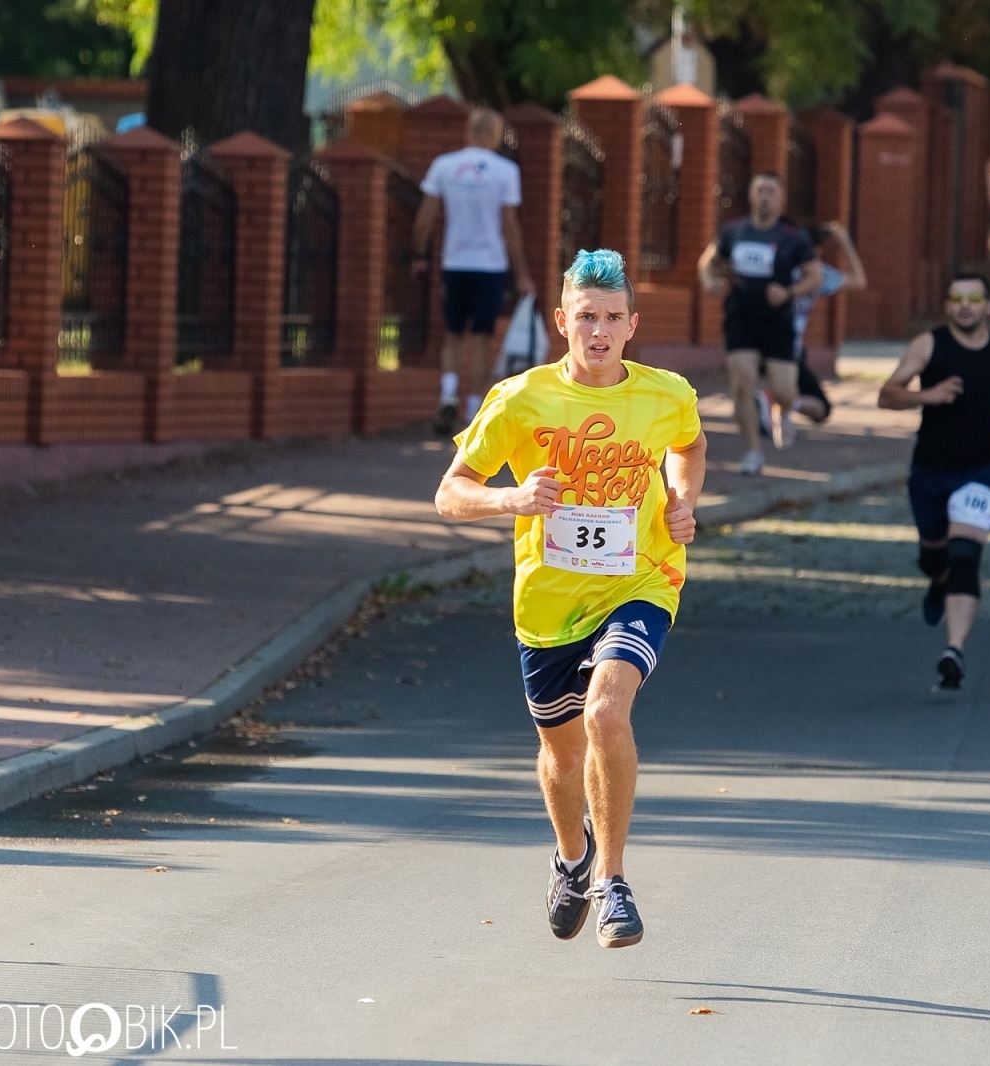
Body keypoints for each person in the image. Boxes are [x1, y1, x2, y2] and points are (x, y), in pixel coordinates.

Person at [435, 249, 706, 949]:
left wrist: (683, 499)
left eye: (613, 318)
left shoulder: (665, 392)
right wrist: (509, 498)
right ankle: (573, 857)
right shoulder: (520, 400)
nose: (599, 330)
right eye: (586, 316)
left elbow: (690, 445)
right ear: (562, 321)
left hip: (641, 579)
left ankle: (613, 882)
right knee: (558, 756)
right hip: (549, 603)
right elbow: (448, 493)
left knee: (606, 713)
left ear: (631, 324)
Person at [877, 275, 990, 690]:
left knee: (965, 556)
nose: (965, 306)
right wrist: (929, 396)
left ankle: (954, 650)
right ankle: (936, 578)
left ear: (988, 306)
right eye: (957, 299)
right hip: (929, 470)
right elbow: (887, 394)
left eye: (974, 298)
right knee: (934, 555)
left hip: (981, 471)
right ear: (947, 306)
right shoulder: (929, 345)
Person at [415, 107, 536, 436]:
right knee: (482, 338)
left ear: (468, 132)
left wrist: (418, 254)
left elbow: (425, 217)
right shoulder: (505, 171)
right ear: (494, 135)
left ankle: (448, 394)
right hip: (490, 265)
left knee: (453, 334)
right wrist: (522, 272)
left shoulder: (444, 166)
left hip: (454, 263)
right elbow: (510, 226)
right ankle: (471, 411)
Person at [698, 173, 822, 475]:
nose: (765, 196)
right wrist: (711, 281)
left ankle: (783, 410)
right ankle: (753, 453)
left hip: (778, 321)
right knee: (741, 384)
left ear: (781, 198)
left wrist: (789, 292)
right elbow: (707, 261)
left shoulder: (793, 236)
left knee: (785, 392)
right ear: (751, 196)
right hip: (741, 317)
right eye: (760, 190)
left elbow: (814, 276)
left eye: (771, 191)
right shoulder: (735, 231)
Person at [787, 220, 868, 426]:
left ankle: (777, 404)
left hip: (785, 348)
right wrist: (844, 241)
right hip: (787, 348)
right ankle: (780, 403)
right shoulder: (817, 274)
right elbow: (858, 279)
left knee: (819, 406)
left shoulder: (780, 265)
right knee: (822, 408)